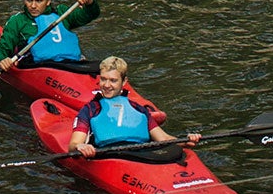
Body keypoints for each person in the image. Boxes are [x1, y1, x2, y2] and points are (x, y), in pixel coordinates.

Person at [67, 55, 201, 164]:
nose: (106, 85)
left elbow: (163, 138)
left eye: (113, 80)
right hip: (110, 157)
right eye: (103, 79)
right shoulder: (90, 110)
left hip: (142, 156)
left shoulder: (139, 109)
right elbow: (74, 144)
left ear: (124, 82)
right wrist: (80, 146)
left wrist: (185, 141)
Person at [0, 0, 101, 75]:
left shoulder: (62, 13)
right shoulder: (18, 21)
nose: (33, 6)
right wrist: (2, 60)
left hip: (72, 65)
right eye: (29, 0)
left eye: (39, 1)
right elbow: (1, 51)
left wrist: (89, 2)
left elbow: (91, 14)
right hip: (40, 68)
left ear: (48, 1)